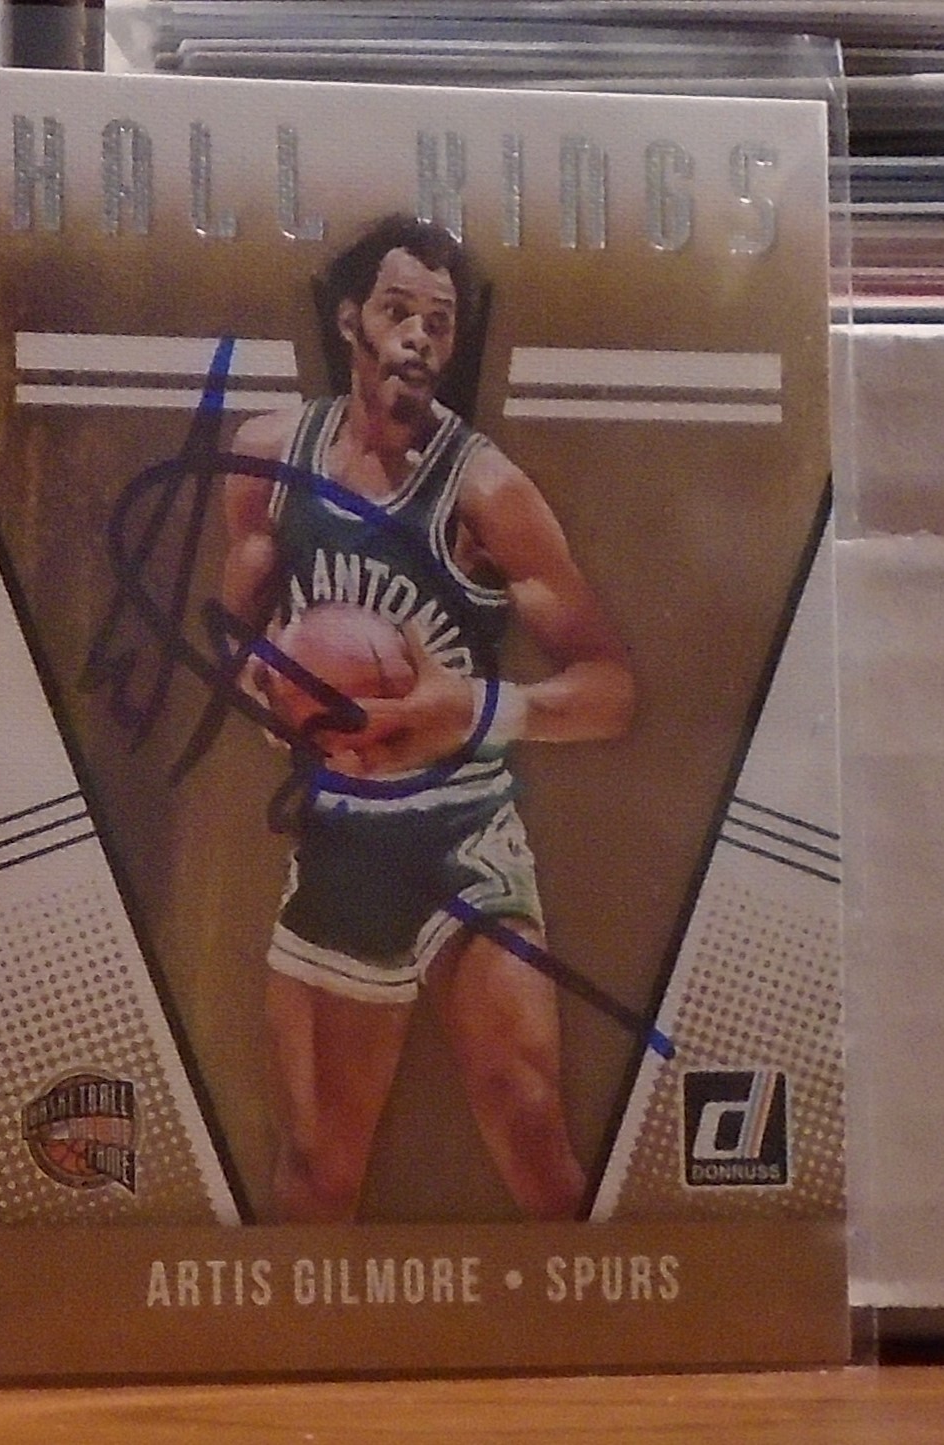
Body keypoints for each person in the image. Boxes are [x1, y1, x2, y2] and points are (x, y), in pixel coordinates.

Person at [221, 214, 635, 1222]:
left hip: (463, 833)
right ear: (349, 319)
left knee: (527, 1117)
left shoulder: (485, 489)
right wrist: (272, 696)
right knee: (317, 1174)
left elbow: (609, 688)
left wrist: (478, 708)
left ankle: (587, 1320)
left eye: (438, 323)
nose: (416, 336)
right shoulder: (270, 457)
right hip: (342, 842)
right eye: (398, 311)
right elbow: (229, 642)